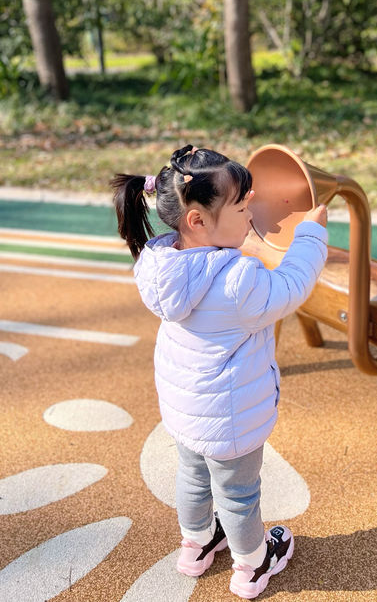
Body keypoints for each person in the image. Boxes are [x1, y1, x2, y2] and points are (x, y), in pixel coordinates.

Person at [111, 144, 328, 599]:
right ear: (198, 221)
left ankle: (196, 544)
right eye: (242, 206)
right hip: (229, 418)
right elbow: (288, 289)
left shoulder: (160, 261)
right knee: (239, 494)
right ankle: (252, 565)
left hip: (187, 411)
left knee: (191, 477)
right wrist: (310, 237)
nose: (251, 214)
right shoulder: (237, 280)